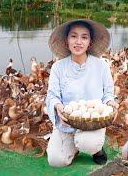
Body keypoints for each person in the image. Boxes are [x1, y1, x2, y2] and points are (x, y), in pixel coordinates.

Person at [45, 19, 119, 167]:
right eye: (73, 36)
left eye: (84, 37)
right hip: (67, 121)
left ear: (90, 42)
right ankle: (74, 144)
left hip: (93, 121)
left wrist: (111, 103)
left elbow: (108, 94)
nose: (78, 42)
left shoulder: (101, 66)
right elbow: (52, 95)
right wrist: (57, 106)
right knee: (56, 161)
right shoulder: (58, 67)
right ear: (67, 41)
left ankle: (96, 149)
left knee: (88, 143)